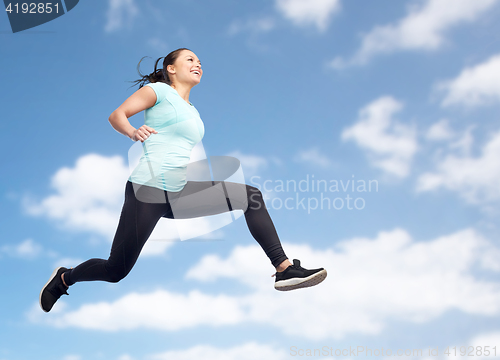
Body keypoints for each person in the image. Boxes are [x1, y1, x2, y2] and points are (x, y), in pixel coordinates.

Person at [39, 48, 327, 313]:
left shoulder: (192, 110)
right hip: (148, 189)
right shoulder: (159, 91)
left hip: (178, 191)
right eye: (190, 59)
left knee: (250, 196)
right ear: (171, 68)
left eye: (199, 61)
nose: (197, 63)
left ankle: (283, 268)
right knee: (116, 271)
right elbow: (118, 115)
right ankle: (65, 278)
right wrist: (131, 131)